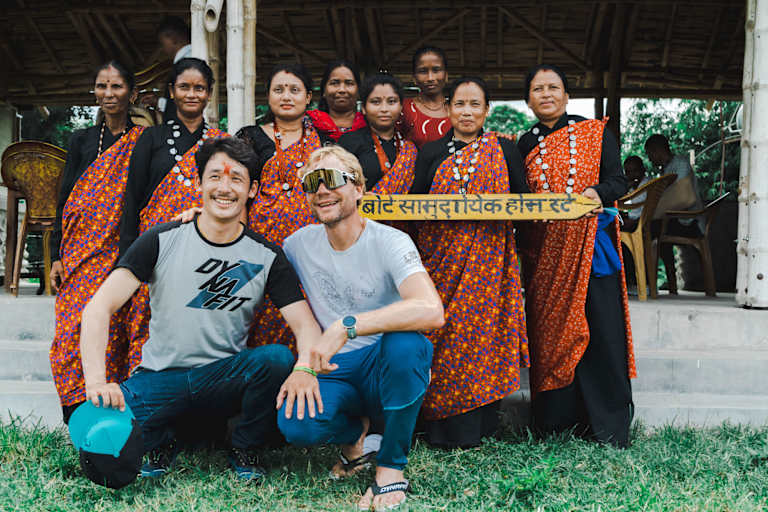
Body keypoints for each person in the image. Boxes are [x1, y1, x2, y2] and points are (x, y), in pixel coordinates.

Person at [80, 137, 321, 482]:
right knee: (99, 450)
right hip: (161, 378)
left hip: (224, 381)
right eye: (215, 177)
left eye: (236, 179)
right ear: (198, 184)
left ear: (253, 190)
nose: (225, 188)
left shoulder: (267, 256)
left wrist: (304, 368)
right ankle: (168, 437)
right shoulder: (161, 239)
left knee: (277, 359)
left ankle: (244, 446)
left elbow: (306, 326)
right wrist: (97, 383)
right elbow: (98, 308)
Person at [276, 145, 444, 510]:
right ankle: (356, 438)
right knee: (294, 422)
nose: (322, 190)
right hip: (335, 369)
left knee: (407, 345)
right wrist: (200, 216)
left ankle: (390, 467)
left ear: (359, 189)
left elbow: (431, 310)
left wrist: (347, 326)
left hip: (382, 367)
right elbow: (251, 251)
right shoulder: (298, 244)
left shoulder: (390, 242)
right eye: (312, 182)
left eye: (334, 179)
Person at [517, 64, 636, 448]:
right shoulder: (523, 145)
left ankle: (608, 427)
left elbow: (618, 181)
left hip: (591, 250)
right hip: (545, 255)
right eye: (538, 89)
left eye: (554, 88)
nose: (546, 94)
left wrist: (597, 194)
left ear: (567, 96)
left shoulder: (594, 132)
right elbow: (519, 200)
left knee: (600, 331)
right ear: (528, 99)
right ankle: (556, 423)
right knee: (551, 337)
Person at [409, 77, 530, 448]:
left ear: (486, 110)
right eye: (459, 104)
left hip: (489, 265)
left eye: (475, 104)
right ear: (448, 109)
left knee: (482, 339)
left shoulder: (505, 151)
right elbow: (414, 208)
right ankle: (437, 427)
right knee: (442, 337)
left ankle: (481, 428)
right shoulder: (430, 152)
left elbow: (523, 204)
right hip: (440, 262)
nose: (466, 112)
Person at [49, 61, 146, 424]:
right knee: (70, 326)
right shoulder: (82, 141)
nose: (108, 94)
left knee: (117, 329)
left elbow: (140, 199)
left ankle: (112, 415)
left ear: (132, 93)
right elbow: (65, 199)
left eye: (117, 87)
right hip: (78, 252)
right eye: (102, 86)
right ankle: (74, 414)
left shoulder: (142, 141)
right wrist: (58, 254)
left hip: (120, 251)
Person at [120, 57, 227, 373]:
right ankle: (144, 395)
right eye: (184, 87)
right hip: (156, 249)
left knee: (202, 318)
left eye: (199, 88)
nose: (192, 94)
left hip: (209, 249)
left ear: (209, 93)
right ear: (172, 91)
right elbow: (133, 201)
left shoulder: (222, 142)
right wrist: (128, 256)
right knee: (148, 319)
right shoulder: (150, 139)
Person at [236, 63, 322, 350]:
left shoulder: (323, 142)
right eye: (279, 90)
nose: (287, 96)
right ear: (268, 95)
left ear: (308, 97)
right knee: (257, 314)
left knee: (308, 310)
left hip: (311, 251)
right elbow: (237, 191)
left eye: (295, 90)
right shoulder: (249, 137)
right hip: (258, 245)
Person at [339, 73, 417, 194]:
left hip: (404, 212)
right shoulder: (348, 143)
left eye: (391, 101)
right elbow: (337, 186)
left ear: (401, 107)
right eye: (376, 102)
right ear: (364, 108)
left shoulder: (410, 149)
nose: (384, 109)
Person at [644, 133, 705, 285]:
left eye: (649, 153)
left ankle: (650, 281)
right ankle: (667, 281)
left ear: (657, 150)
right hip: (675, 220)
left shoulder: (681, 164)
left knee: (651, 229)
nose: (649, 158)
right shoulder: (665, 170)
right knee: (653, 228)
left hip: (691, 222)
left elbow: (681, 197)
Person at [140, 15, 192, 121]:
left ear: (173, 38)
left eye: (163, 43)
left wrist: (158, 103)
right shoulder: (191, 60)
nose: (163, 49)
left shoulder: (187, 64)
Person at [399, 46, 450, 148]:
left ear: (446, 75)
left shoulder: (458, 109)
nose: (430, 78)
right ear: (414, 78)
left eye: (436, 70)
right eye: (423, 71)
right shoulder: (403, 108)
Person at [306, 60, 366, 144]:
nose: (342, 89)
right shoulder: (308, 125)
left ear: (358, 91)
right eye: (334, 83)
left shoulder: (370, 126)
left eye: (349, 83)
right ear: (324, 91)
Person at [621, 155, 651, 232]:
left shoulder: (646, 185)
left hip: (644, 222)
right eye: (628, 172)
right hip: (638, 219)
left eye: (635, 171)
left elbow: (639, 211)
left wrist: (627, 217)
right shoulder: (633, 187)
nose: (632, 174)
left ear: (643, 170)